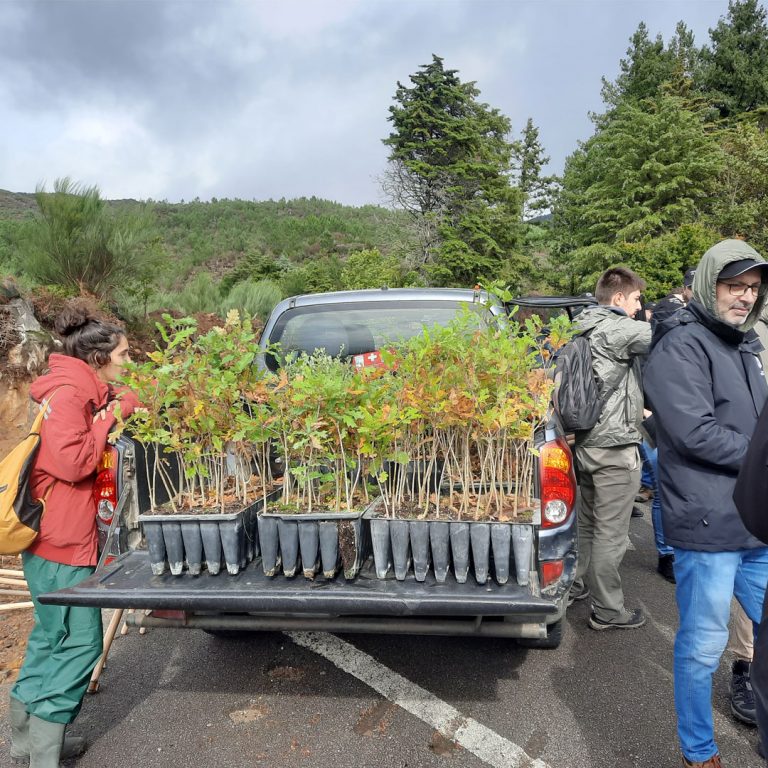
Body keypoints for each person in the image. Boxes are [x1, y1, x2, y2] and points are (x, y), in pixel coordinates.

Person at [644, 239, 768, 768]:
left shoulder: (744, 346)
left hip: (756, 522)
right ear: (707, 284)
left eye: (754, 289)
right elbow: (693, 432)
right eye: (734, 285)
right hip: (707, 519)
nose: (744, 297)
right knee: (702, 646)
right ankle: (699, 752)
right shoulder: (680, 344)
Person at [8, 307, 139, 768]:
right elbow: (73, 463)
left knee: (49, 638)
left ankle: (26, 743)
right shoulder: (67, 396)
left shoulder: (75, 388)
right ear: (100, 357)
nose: (128, 360)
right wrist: (111, 416)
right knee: (80, 643)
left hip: (52, 541)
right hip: (62, 542)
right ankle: (44, 755)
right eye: (123, 354)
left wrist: (116, 401)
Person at [569, 266, 651, 630]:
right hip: (615, 447)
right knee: (611, 533)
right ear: (618, 298)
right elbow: (664, 337)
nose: (637, 308)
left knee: (585, 524)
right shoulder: (617, 327)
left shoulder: (580, 325)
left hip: (584, 441)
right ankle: (608, 610)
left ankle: (573, 585)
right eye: (635, 299)